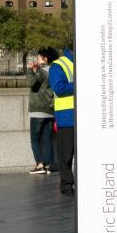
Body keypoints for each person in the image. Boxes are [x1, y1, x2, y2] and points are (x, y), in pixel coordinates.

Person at [48, 49, 77, 196]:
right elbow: (59, 88)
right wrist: (79, 85)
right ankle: (66, 186)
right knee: (66, 155)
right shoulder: (58, 65)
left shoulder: (83, 62)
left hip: (82, 118)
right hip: (67, 118)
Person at [26, 49, 58, 176]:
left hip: (38, 111)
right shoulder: (54, 72)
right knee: (47, 139)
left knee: (34, 139)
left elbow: (31, 83)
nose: (36, 60)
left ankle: (40, 164)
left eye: (38, 58)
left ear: (45, 59)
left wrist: (30, 70)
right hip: (50, 110)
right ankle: (49, 165)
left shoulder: (41, 72)